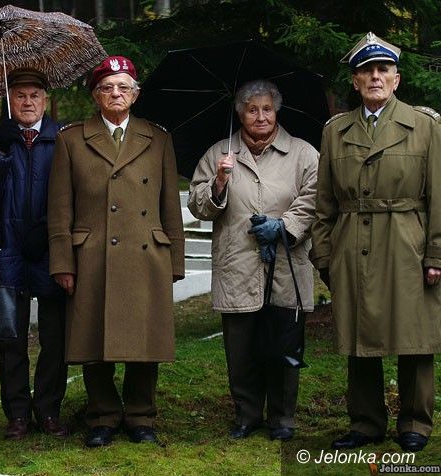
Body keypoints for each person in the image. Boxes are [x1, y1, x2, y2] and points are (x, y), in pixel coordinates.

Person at [312, 32, 441, 453]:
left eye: (383, 69)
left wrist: (436, 253)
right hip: (352, 244)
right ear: (355, 81)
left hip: (407, 242)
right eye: (366, 71)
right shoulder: (335, 131)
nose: (375, 77)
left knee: (414, 336)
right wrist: (325, 254)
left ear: (396, 79)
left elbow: (439, 196)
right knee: (359, 337)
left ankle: (415, 422)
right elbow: (325, 202)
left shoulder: (425, 126)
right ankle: (365, 423)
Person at [48, 55, 185, 447]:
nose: (116, 93)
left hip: (146, 254)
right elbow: (59, 209)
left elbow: (169, 206)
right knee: (94, 340)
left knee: (145, 340)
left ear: (135, 95)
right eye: (107, 87)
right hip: (93, 255)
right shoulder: (71, 139)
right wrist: (63, 262)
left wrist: (175, 260)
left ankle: (141, 416)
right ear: (95, 95)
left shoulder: (158, 138)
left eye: (124, 87)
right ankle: (102, 416)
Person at [187, 80, 318, 441]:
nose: (260, 116)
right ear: (240, 113)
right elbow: (197, 205)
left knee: (284, 343)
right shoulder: (220, 153)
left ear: (277, 111)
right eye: (252, 109)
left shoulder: (303, 153)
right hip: (238, 264)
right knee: (240, 348)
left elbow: (314, 200)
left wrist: (284, 226)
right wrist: (219, 182)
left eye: (267, 109)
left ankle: (282, 417)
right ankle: (246, 414)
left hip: (286, 264)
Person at [0, 68, 68, 440]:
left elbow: (73, 191)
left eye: (34, 95)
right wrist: (1, 154)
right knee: (11, 337)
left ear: (45, 99)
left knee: (56, 335)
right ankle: (18, 414)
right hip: (5, 248)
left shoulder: (64, 138)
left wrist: (48, 229)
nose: (28, 102)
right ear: (9, 100)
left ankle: (49, 409)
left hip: (50, 247)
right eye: (20, 95)